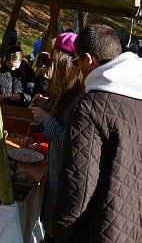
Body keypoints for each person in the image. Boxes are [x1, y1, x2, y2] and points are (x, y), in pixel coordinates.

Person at [53, 24, 142, 243]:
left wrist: (59, 232)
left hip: (99, 230)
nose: (78, 69)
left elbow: (78, 185)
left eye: (77, 62)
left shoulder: (90, 107)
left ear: (88, 59)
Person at [31, 32, 84, 243]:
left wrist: (47, 120)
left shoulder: (81, 97)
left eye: (55, 63)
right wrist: (48, 107)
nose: (50, 69)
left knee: (55, 234)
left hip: (63, 181)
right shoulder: (67, 92)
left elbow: (74, 141)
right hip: (54, 176)